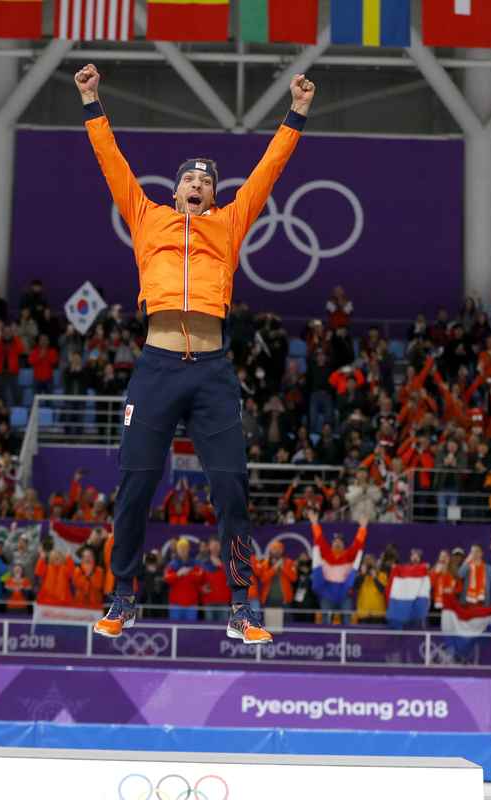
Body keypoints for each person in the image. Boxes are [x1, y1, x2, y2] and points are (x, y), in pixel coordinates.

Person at [78, 61, 316, 646]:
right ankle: (123, 597)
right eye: (190, 178)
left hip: (212, 373)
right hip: (156, 369)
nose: (198, 184)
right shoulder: (146, 216)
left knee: (232, 489)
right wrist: (91, 101)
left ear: (214, 194)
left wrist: (296, 113)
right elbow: (111, 162)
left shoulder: (230, 224)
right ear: (176, 187)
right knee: (135, 486)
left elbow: (268, 171)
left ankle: (241, 606)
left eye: (206, 181)